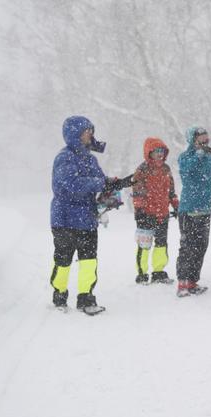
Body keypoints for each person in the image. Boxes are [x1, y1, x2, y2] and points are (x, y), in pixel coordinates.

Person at [49, 116, 133, 314]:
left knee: (89, 261)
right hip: (65, 219)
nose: (91, 135)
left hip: (86, 218)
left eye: (91, 131)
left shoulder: (90, 158)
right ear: (74, 134)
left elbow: (100, 180)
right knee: (63, 260)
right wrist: (101, 184)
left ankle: (86, 298)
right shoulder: (65, 157)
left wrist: (118, 183)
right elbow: (69, 185)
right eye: (87, 131)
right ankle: (59, 295)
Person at [176, 126, 211, 297]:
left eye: (206, 137)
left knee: (201, 246)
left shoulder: (210, 158)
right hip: (188, 209)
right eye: (201, 138)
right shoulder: (184, 157)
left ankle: (192, 281)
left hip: (204, 210)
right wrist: (198, 155)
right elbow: (186, 175)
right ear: (193, 139)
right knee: (187, 247)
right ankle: (182, 282)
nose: (205, 140)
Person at [132, 137, 179, 285]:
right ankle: (142, 273)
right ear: (149, 152)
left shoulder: (166, 169)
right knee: (144, 245)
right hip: (146, 214)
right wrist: (139, 211)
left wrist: (176, 206)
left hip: (162, 214)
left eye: (162, 151)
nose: (160, 154)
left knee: (161, 244)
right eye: (157, 151)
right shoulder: (142, 170)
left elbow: (171, 191)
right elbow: (137, 192)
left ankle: (158, 271)